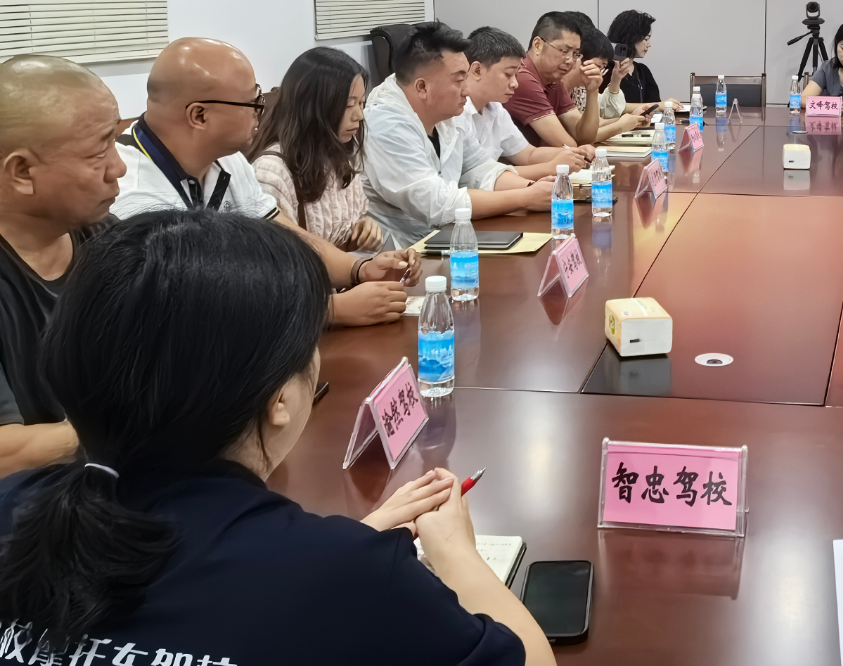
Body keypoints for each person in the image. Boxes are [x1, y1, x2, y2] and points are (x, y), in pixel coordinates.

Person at [0, 208, 553, 666]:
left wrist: (336, 546)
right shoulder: (348, 576)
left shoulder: (14, 505)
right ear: (280, 400)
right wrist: (453, 551)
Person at [112, 38, 416, 327]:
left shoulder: (228, 160)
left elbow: (285, 237)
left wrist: (358, 269)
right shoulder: (135, 195)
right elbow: (191, 308)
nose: (261, 109)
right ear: (199, 115)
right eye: (251, 102)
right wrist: (328, 310)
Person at [0, 57, 125, 475]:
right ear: (22, 172)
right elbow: (5, 453)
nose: (119, 168)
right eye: (99, 150)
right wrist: (132, 421)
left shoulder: (109, 239)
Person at [363, 22, 555, 246]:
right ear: (422, 87)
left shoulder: (448, 110)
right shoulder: (385, 123)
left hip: (445, 238)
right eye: (458, 80)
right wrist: (525, 198)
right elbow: (436, 203)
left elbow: (478, 167)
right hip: (399, 250)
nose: (467, 89)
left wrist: (535, 189)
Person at [250, 48, 383, 251]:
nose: (360, 115)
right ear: (313, 107)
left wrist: (363, 228)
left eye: (361, 103)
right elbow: (283, 257)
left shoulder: (337, 154)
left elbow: (342, 231)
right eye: (349, 105)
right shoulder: (271, 173)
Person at [462, 26, 595, 179]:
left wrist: (574, 153)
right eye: (508, 74)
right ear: (477, 70)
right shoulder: (458, 112)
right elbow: (478, 177)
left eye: (516, 75)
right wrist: (551, 167)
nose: (515, 83)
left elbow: (528, 154)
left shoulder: (495, 108)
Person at [508, 12, 643, 148]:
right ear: (538, 45)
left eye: (575, 54)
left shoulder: (555, 80)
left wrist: (592, 90)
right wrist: (619, 125)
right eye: (564, 51)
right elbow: (568, 145)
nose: (570, 61)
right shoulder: (522, 78)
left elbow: (585, 136)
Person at [605, 9, 662, 110]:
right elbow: (607, 108)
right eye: (646, 39)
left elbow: (655, 102)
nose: (649, 44)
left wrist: (659, 106)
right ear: (631, 38)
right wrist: (659, 106)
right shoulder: (605, 69)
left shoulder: (642, 71)